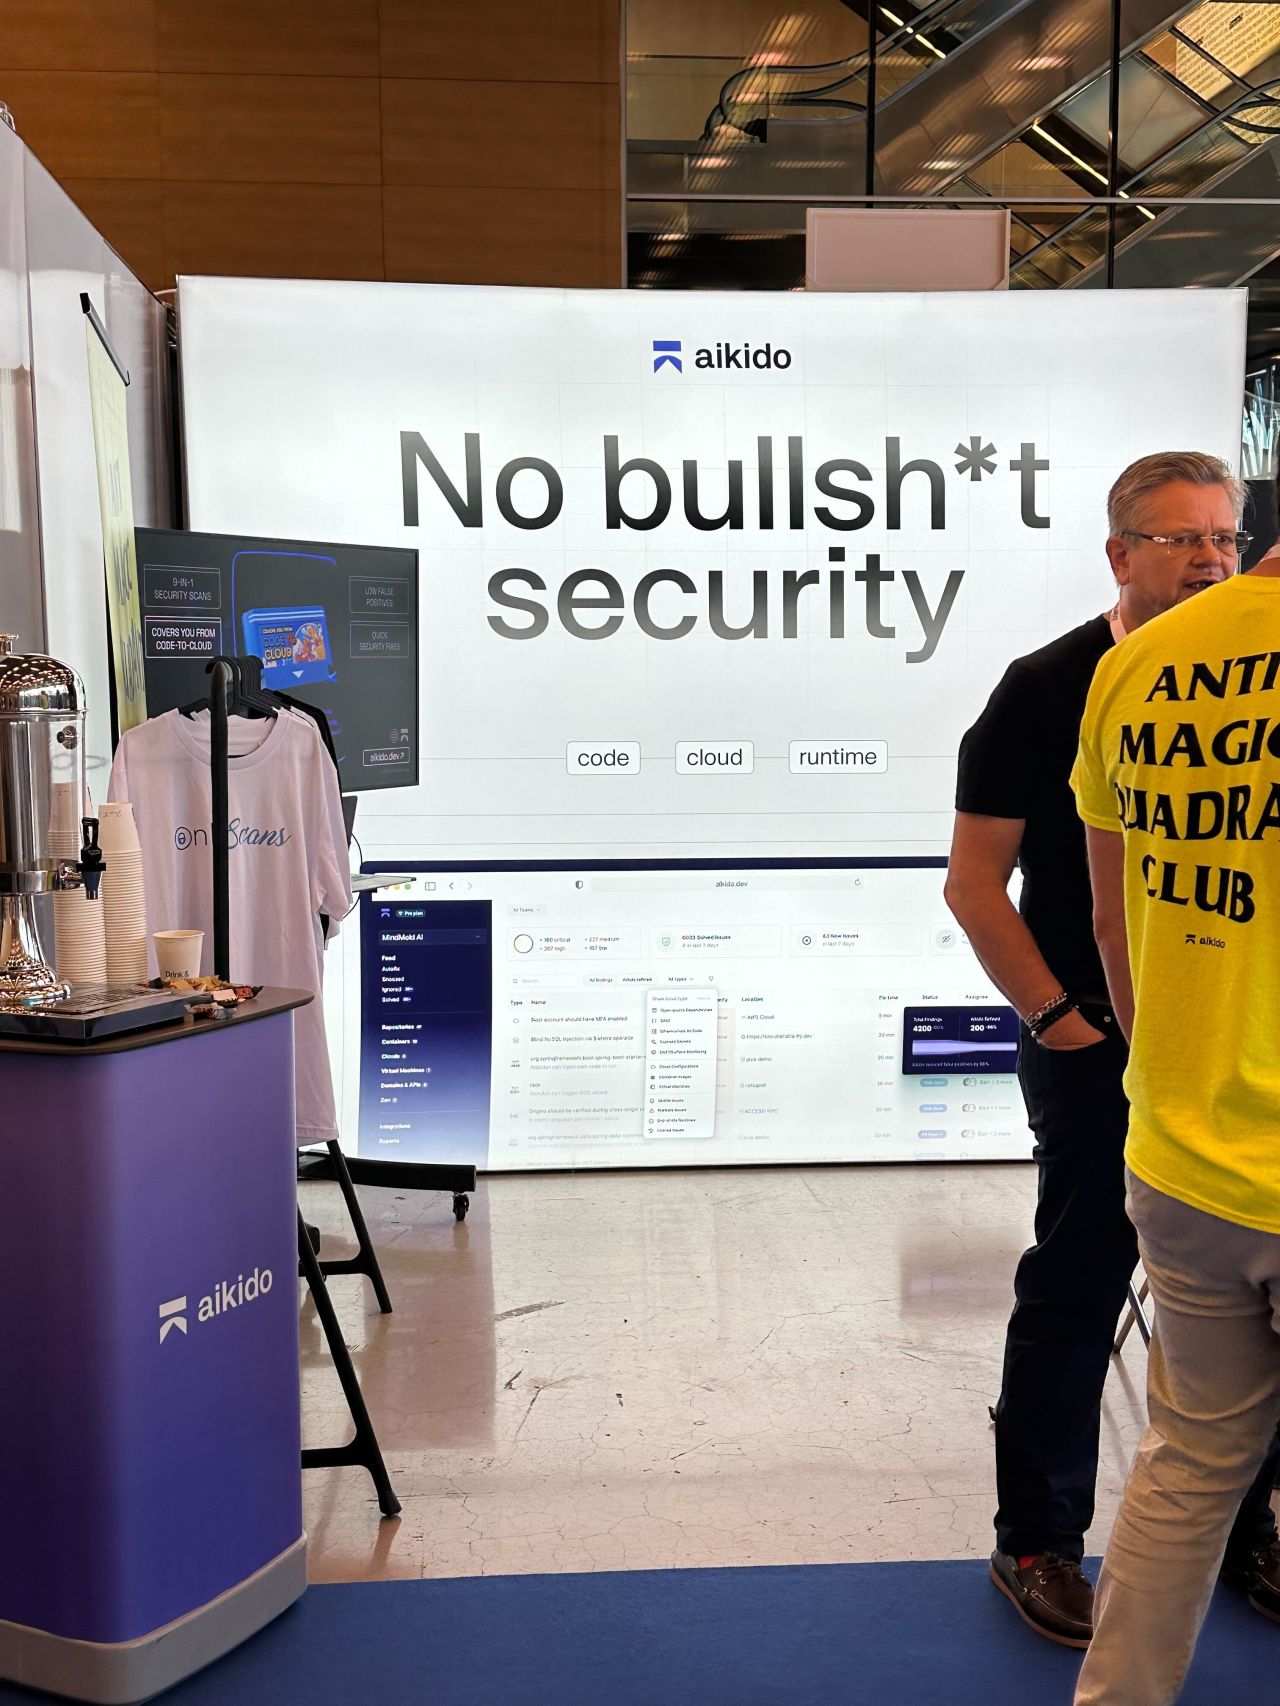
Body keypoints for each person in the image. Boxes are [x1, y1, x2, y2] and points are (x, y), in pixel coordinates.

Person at [945, 450, 1280, 1648]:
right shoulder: (1046, 686)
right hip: (1098, 1049)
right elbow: (975, 883)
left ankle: (1246, 1535)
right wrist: (1057, 1019)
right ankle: (1034, 1536)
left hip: (1224, 1055)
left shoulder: (1256, 670)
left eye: (1223, 539)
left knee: (1240, 1332)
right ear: (1117, 552)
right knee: (1079, 1281)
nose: (1205, 560)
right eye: (1178, 538)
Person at [1070, 491, 1280, 1705]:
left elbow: (1114, 915)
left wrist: (1164, 1075)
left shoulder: (1136, 664)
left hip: (1180, 1146)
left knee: (1188, 1457)